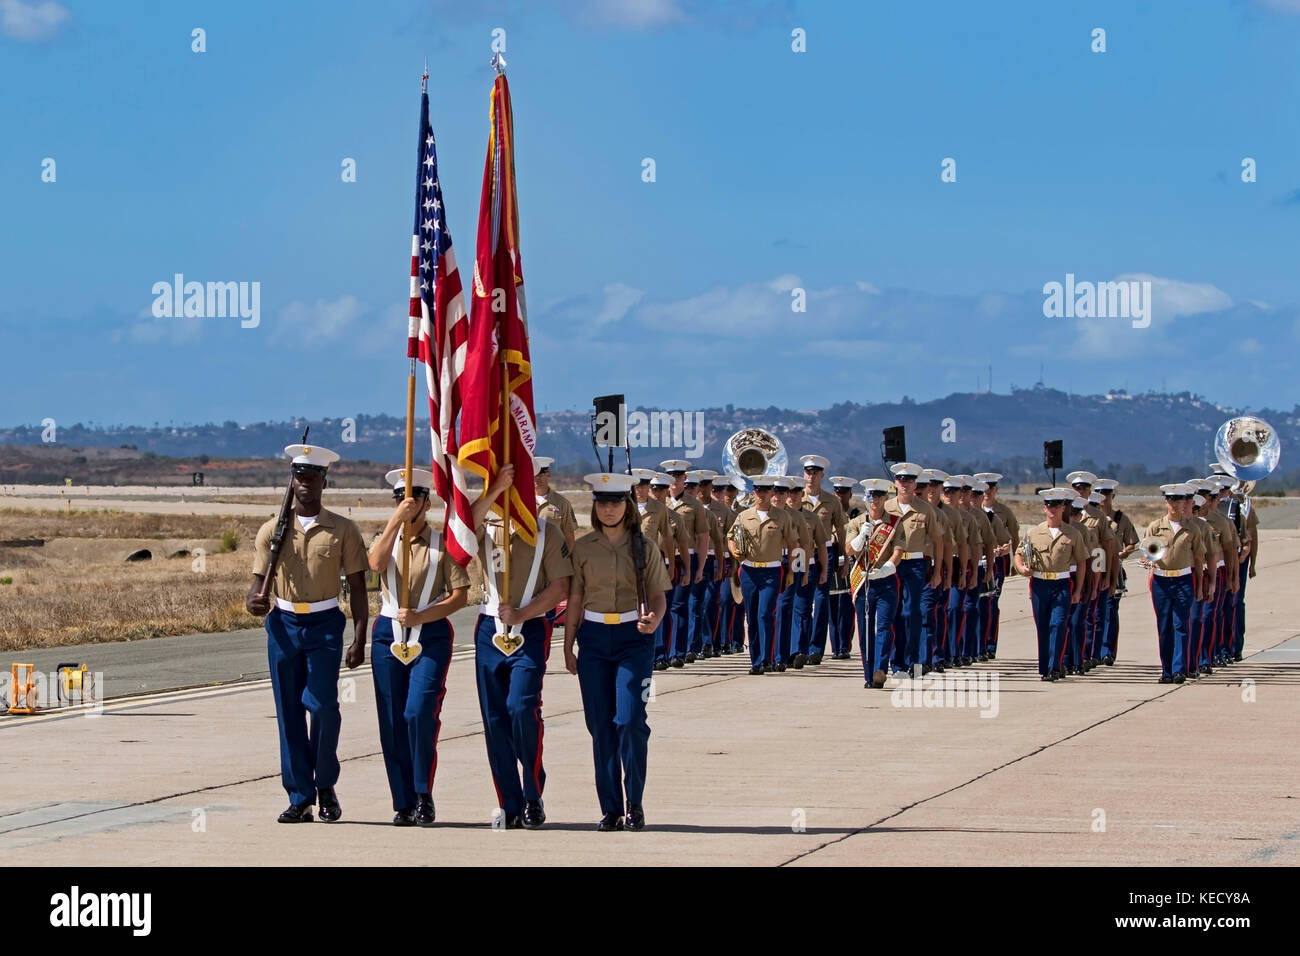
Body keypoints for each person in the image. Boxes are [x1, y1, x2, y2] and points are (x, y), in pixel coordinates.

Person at [246, 443, 369, 824]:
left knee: (323, 707)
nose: (305, 484)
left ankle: (325, 784)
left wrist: (359, 637)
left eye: (312, 478)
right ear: (291, 481)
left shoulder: (343, 529)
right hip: (283, 625)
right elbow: (255, 586)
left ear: (324, 482)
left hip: (325, 624)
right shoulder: (272, 530)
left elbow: (360, 589)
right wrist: (254, 601)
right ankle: (299, 797)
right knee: (289, 713)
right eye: (299, 477)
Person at [565, 473, 670, 832]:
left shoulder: (644, 546)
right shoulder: (583, 547)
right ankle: (610, 808)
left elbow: (658, 593)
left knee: (629, 722)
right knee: (601, 727)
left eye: (616, 502)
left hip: (633, 639)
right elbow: (575, 598)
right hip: (593, 638)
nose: (609, 509)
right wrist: (568, 645)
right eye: (603, 503)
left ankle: (634, 803)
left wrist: (654, 619)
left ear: (627, 506)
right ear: (595, 506)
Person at [469, 463, 572, 828]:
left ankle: (532, 793)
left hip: (530, 630)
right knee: (494, 719)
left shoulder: (548, 533)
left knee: (521, 709)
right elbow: (465, 527)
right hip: (488, 630)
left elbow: (560, 588)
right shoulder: (487, 529)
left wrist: (524, 612)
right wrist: (495, 488)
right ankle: (509, 802)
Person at [368, 468, 469, 826]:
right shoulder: (387, 539)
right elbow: (376, 564)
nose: (407, 505)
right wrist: (397, 519)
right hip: (387, 634)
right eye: (400, 499)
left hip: (430, 635)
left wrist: (424, 616)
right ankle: (404, 801)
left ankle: (423, 790)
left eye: (413, 500)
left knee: (418, 712)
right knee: (392, 718)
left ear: (427, 503)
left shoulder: (442, 545)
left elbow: (460, 596)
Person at [1014, 488, 1088, 681]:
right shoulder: (1034, 532)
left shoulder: (1072, 534)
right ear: (1044, 508)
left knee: (1058, 624)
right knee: (1043, 627)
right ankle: (1045, 667)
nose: (1052, 509)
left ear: (1063, 507)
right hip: (1039, 584)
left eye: (1056, 505)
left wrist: (1078, 590)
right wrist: (1021, 568)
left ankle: (1055, 666)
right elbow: (1019, 554)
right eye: (1049, 505)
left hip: (1062, 584)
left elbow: (1081, 562)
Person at [728, 475, 797, 675]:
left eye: (766, 491)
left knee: (765, 614)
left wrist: (791, 570)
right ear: (754, 492)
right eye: (759, 490)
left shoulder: (782, 516)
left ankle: (767, 657)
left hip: (771, 571)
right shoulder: (744, 516)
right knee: (752, 617)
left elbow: (793, 544)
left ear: (772, 493)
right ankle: (756, 661)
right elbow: (731, 537)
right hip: (749, 570)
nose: (762, 495)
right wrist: (734, 552)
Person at [1141, 484, 1205, 684]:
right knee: (1164, 626)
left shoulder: (1192, 528)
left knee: (1180, 625)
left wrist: (1201, 586)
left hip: (1183, 579)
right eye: (1171, 500)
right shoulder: (1155, 527)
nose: (1175, 504)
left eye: (1179, 500)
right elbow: (1147, 551)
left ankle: (1179, 669)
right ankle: (1166, 670)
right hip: (1161, 579)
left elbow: (1199, 558)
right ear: (1166, 502)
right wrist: (1146, 561)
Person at [845, 479, 905, 689]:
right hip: (863, 582)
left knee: (885, 626)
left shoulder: (895, 522)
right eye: (872, 496)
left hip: (886, 581)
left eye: (879, 496)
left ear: (885, 498)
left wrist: (888, 567)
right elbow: (849, 550)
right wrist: (862, 536)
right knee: (865, 629)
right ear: (866, 497)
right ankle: (868, 674)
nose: (875, 501)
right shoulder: (857, 522)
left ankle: (880, 669)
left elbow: (898, 550)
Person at [660, 460, 709, 666]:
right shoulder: (659, 503)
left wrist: (700, 566)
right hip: (660, 559)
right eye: (671, 476)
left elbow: (703, 536)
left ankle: (678, 652)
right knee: (661, 607)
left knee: (679, 606)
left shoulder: (694, 505)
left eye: (679, 476)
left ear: (685, 478)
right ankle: (661, 653)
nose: (675, 480)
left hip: (684, 559)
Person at [799, 455, 847, 661]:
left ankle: (816, 648)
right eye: (808, 473)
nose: (811, 477)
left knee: (821, 600)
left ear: (822, 475)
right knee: (802, 600)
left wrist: (844, 556)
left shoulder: (832, 501)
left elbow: (841, 529)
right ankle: (800, 645)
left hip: (824, 552)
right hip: (801, 552)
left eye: (815, 473)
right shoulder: (796, 499)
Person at [633, 468, 677, 668]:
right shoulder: (624, 506)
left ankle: (658, 654)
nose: (640, 490)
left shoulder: (658, 509)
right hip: (628, 565)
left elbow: (667, 537)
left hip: (652, 563)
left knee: (655, 608)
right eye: (636, 486)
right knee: (632, 610)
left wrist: (671, 564)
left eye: (643, 486)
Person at [1093, 477, 1138, 665]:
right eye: (1100, 493)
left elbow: (1132, 543)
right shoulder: (1092, 518)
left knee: (1111, 611)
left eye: (1107, 494)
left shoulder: (1121, 519)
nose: (1103, 497)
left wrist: (1124, 553)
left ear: (1113, 495)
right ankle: (1093, 650)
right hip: (1094, 567)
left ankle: (1108, 651)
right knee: (1095, 612)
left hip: (1114, 569)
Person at [973, 472, 1017, 659]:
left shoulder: (1001, 513)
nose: (985, 493)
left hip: (994, 562)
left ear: (995, 489)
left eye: (989, 488)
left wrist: (1009, 556)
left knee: (990, 603)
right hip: (973, 562)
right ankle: (973, 645)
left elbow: (1012, 538)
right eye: (979, 491)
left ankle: (989, 644)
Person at [533, 456, 578, 553]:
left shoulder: (562, 503)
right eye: (533, 475)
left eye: (541, 475)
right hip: (528, 559)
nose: (537, 479)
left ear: (548, 474)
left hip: (553, 558)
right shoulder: (522, 502)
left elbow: (569, 537)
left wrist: (564, 561)